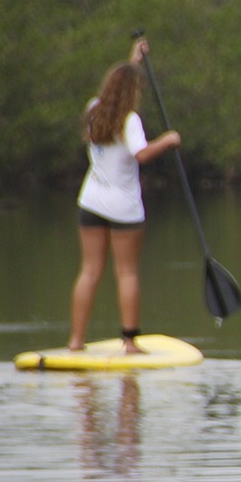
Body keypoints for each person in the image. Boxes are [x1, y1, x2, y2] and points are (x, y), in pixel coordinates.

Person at [67, 37, 181, 354]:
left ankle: (76, 341)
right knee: (127, 272)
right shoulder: (130, 121)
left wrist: (133, 62)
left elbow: (120, 85)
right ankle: (129, 342)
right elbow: (141, 154)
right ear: (133, 92)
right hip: (123, 208)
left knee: (89, 271)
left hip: (90, 202)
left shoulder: (93, 109)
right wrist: (168, 141)